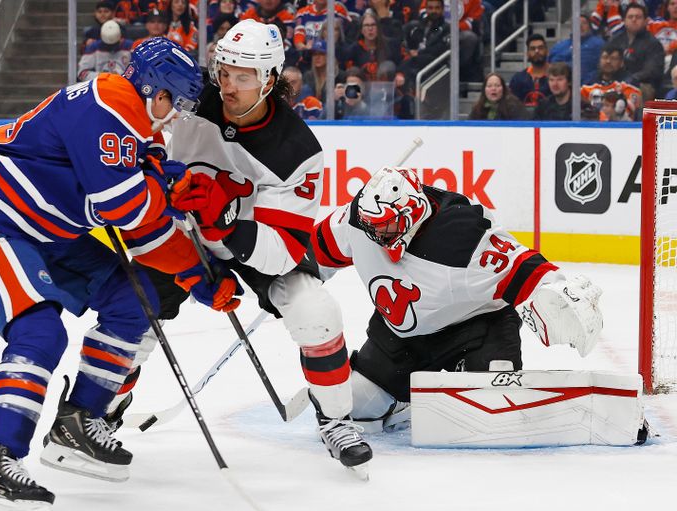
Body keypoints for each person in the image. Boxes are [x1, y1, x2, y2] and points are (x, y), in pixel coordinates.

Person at [0, 39, 239, 511]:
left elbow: (145, 223)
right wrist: (168, 193)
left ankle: (79, 421)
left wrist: (196, 276)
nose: (177, 116)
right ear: (157, 94)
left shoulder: (136, 125)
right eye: (178, 104)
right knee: (39, 331)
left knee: (136, 297)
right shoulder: (110, 106)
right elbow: (125, 210)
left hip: (47, 225)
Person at [149, 20, 373, 472]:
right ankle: (100, 405)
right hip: (185, 232)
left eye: (243, 77)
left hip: (250, 243)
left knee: (315, 310)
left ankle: (335, 419)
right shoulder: (196, 96)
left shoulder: (298, 150)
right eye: (224, 72)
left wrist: (227, 220)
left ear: (270, 80)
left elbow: (285, 249)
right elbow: (144, 122)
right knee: (132, 303)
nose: (228, 86)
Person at [310, 166, 604, 433]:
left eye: (385, 227)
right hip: (403, 340)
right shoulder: (360, 219)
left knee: (493, 413)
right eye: (371, 225)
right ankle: (403, 402)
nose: (375, 235)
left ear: (410, 215)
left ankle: (476, 377)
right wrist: (286, 283)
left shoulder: (461, 234)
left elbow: (525, 267)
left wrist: (557, 295)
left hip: (476, 328)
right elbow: (313, 253)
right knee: (356, 407)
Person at [608, 2, 665, 101]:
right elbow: (605, 61)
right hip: (616, 82)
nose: (634, 20)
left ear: (645, 21)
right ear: (624, 20)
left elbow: (652, 71)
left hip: (642, 84)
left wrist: (632, 79)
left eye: (638, 17)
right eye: (630, 17)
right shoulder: (615, 40)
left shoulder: (653, 44)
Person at [581, 45, 642, 121]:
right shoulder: (588, 84)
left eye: (613, 58)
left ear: (621, 62)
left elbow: (629, 112)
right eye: (605, 57)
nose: (608, 61)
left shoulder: (629, 84)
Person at [548, 13, 605, 85]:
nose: (580, 26)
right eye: (577, 23)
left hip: (590, 87)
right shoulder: (559, 47)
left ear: (589, 27)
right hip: (565, 87)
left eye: (584, 23)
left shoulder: (599, 44)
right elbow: (551, 67)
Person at [509, 33, 551, 108]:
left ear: (547, 51)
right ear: (527, 54)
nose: (537, 51)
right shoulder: (518, 79)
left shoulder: (556, 77)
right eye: (532, 49)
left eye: (540, 48)